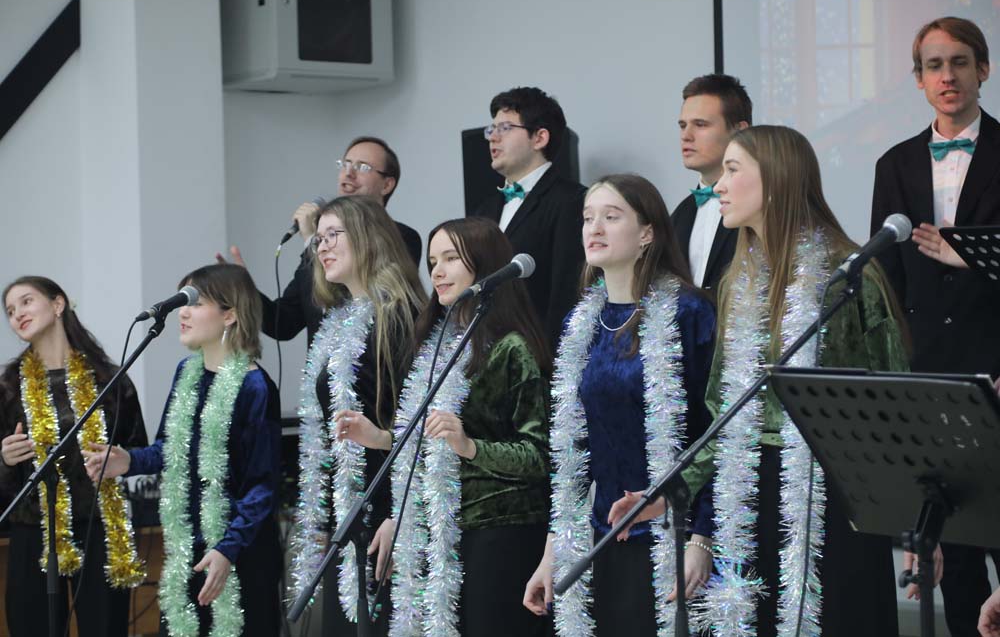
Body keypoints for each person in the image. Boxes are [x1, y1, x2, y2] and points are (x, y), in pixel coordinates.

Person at [682, 125, 908, 636]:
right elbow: (722, 407)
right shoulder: (737, 281)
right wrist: (677, 487)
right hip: (750, 492)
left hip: (834, 497)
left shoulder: (848, 277)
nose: (718, 185)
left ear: (777, 179)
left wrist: (912, 521)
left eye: (732, 170)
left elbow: (895, 398)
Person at [522, 174, 717, 636]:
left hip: (674, 533)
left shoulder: (689, 312)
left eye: (611, 217)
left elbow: (715, 433)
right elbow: (573, 452)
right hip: (603, 537)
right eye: (588, 218)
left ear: (647, 233)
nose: (594, 228)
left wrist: (702, 540)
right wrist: (552, 553)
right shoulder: (581, 322)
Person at [345, 216, 553, 636]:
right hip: (443, 531)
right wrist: (381, 438)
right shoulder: (437, 343)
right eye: (432, 261)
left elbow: (539, 457)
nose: (437, 272)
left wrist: (470, 446)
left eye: (451, 259)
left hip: (501, 534)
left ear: (487, 265)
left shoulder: (511, 348)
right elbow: (434, 439)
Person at [871, 16, 1000, 636]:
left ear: (984, 69)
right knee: (958, 556)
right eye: (933, 65)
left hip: (997, 372)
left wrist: (972, 258)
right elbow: (889, 284)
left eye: (959, 62)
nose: (947, 76)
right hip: (931, 385)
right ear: (919, 79)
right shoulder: (894, 164)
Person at [84, 264, 282, 637]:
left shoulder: (256, 387)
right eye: (182, 303)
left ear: (230, 314)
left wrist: (228, 548)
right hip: (188, 546)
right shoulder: (186, 373)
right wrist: (130, 461)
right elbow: (171, 448)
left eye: (195, 302)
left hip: (240, 552)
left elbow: (262, 486)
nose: (183, 313)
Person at [287, 195, 426, 636]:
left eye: (334, 235)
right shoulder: (338, 322)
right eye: (319, 238)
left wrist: (399, 514)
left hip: (390, 511)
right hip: (349, 513)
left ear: (368, 238)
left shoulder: (401, 316)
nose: (323, 246)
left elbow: (419, 427)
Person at [0, 276, 147, 637]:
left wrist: (121, 459)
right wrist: (4, 459)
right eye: (10, 311)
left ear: (58, 304)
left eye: (26, 301)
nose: (17, 314)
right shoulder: (8, 387)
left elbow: (138, 450)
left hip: (100, 526)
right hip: (32, 530)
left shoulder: (109, 379)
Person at [219, 135, 422, 346]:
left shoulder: (402, 237)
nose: (349, 173)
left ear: (387, 184)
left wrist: (311, 241)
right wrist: (242, 289)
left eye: (362, 167)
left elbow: (355, 300)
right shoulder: (322, 245)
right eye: (345, 164)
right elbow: (283, 323)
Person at [473, 86, 586, 351]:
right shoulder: (484, 210)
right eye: (491, 129)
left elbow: (566, 291)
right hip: (487, 353)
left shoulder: (572, 201)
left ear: (539, 138)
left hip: (539, 353)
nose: (493, 138)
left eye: (505, 128)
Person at [671, 74, 751, 296]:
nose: (686, 136)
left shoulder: (759, 208)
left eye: (700, 124)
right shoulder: (680, 214)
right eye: (682, 125)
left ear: (740, 131)